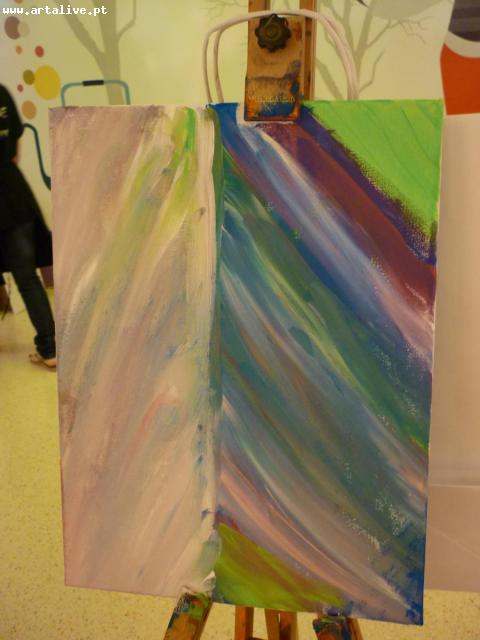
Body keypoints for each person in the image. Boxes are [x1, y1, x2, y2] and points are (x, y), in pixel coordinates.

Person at [0, 84, 56, 368]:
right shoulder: (1, 93)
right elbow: (14, 150)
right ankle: (50, 349)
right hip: (12, 194)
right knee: (28, 279)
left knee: (26, 279)